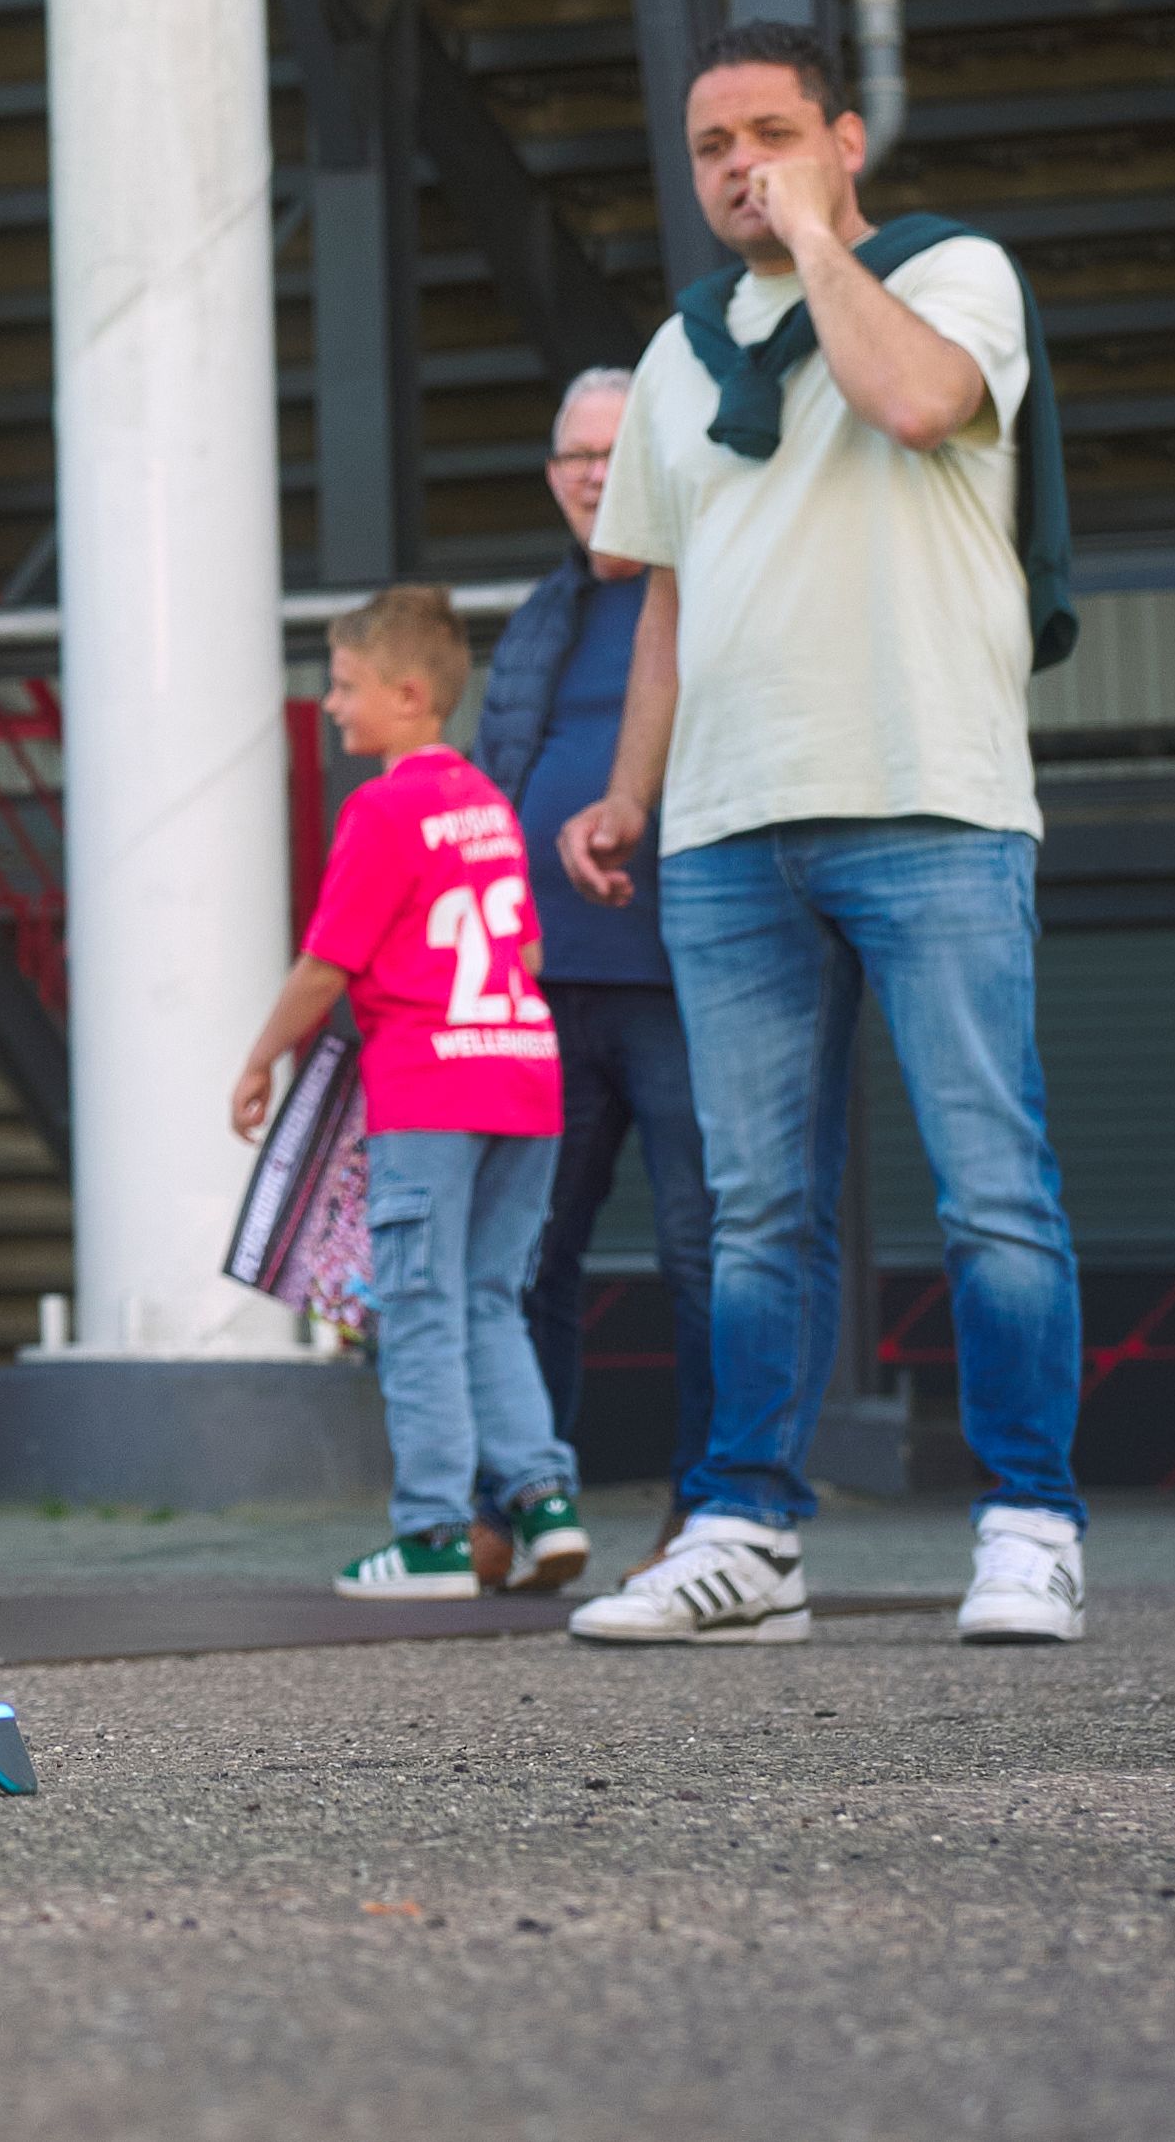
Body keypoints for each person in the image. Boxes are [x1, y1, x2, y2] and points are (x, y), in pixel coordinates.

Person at [560, 17, 1089, 1652]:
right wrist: (631, 788)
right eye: (714, 144)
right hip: (727, 828)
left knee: (987, 1182)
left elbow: (920, 403)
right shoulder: (671, 353)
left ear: (844, 138)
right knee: (749, 1203)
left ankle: (1028, 1525)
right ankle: (745, 1525)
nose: (738, 165)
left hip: (926, 794)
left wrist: (806, 241)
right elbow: (661, 600)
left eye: (771, 134)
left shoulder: (949, 279)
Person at [234, 586, 585, 1600]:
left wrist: (261, 1058)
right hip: (524, 1073)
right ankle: (543, 1500)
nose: (332, 704)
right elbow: (527, 946)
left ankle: (432, 1533)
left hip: (429, 1083)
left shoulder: (382, 808)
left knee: (421, 1305)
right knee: (487, 1298)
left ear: (410, 691)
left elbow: (325, 963)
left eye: (345, 686)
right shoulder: (487, 804)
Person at [487, 359, 712, 1556]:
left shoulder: (706, 593)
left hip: (682, 980)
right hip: (542, 988)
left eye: (613, 454)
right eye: (575, 455)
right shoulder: (540, 616)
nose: (590, 476)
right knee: (529, 1257)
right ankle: (526, 1505)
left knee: (702, 1251)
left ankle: (713, 1506)